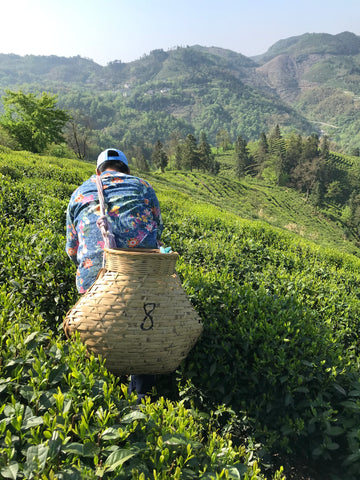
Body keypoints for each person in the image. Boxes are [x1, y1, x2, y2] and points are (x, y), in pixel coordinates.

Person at [65, 148, 163, 403]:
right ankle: (141, 396)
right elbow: (157, 231)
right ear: (125, 170)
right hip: (138, 277)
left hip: (94, 282)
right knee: (145, 325)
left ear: (98, 171)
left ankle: (100, 396)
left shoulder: (79, 193)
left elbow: (71, 249)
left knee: (97, 334)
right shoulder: (143, 187)